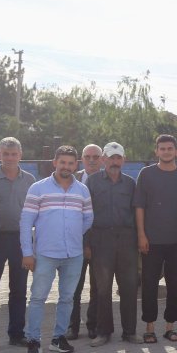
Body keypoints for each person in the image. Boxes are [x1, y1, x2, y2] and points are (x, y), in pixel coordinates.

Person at [20, 146, 93, 353]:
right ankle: (33, 340)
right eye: (62, 162)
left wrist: (71, 234)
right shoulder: (38, 188)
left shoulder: (82, 190)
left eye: (71, 163)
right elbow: (26, 222)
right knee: (37, 297)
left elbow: (89, 218)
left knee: (67, 298)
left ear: (76, 165)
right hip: (45, 254)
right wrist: (27, 252)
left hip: (74, 254)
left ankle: (58, 338)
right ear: (55, 162)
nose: (66, 167)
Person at [134, 134, 177, 343]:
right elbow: (139, 206)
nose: (166, 152)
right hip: (152, 241)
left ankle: (170, 327)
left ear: (176, 151)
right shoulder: (146, 174)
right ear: (156, 151)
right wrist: (141, 234)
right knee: (148, 285)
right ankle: (149, 327)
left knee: (174, 285)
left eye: (170, 148)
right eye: (162, 148)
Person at [0, 137, 36, 347]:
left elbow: (35, 212)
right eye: (6, 154)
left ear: (20, 156)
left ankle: (16, 334)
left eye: (14, 154)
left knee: (19, 289)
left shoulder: (30, 180)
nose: (10, 158)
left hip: (21, 240)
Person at [86, 141, 139, 346]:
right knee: (103, 289)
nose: (114, 162)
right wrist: (87, 244)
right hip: (100, 239)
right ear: (103, 160)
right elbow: (85, 214)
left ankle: (130, 332)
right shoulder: (91, 182)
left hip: (126, 240)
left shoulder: (131, 183)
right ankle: (103, 332)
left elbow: (136, 213)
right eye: (111, 158)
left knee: (129, 287)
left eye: (118, 158)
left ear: (123, 160)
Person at [67, 143, 104, 340]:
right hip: (76, 243)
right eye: (88, 156)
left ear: (102, 159)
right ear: (82, 159)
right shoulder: (72, 181)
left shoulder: (108, 180)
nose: (91, 160)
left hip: (100, 244)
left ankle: (93, 325)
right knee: (74, 287)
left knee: (97, 287)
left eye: (95, 157)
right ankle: (72, 327)